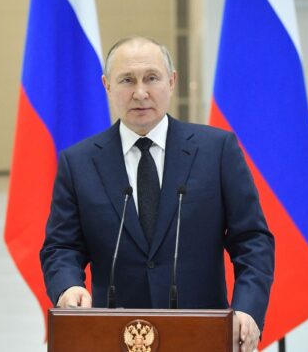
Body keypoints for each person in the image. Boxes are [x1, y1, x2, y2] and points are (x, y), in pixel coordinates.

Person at [40, 36, 275, 352]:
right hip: (113, 336)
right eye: (127, 80)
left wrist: (247, 308)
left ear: (172, 81)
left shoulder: (217, 151)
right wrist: (68, 287)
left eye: (151, 78)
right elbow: (62, 245)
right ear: (107, 86)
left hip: (201, 333)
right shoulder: (78, 162)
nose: (140, 92)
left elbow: (252, 240)